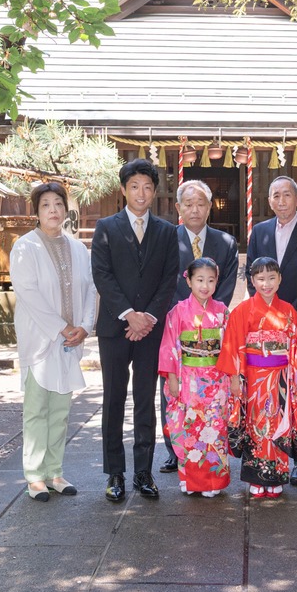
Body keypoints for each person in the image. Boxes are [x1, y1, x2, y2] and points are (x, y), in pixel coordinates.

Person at [91, 159, 179, 502]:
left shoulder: (167, 231)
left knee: (145, 400)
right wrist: (130, 315)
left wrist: (148, 319)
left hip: (150, 330)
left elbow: (168, 279)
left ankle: (144, 471)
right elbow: (103, 275)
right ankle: (115, 472)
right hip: (115, 328)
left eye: (147, 187)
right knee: (113, 399)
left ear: (154, 192)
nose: (141, 193)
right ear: (124, 189)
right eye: (134, 186)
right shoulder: (106, 227)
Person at [9, 182, 95, 502]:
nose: (53, 210)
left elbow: (88, 289)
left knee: (60, 409)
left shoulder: (77, 247)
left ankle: (54, 471)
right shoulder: (25, 247)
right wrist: (62, 327)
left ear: (65, 208)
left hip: (70, 341)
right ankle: (34, 476)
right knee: (36, 409)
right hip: (41, 339)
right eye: (46, 205)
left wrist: (84, 327)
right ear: (37, 211)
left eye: (58, 204)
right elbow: (28, 293)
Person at [159, 180, 239, 474]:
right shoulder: (166, 238)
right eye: (188, 204)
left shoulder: (226, 243)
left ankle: (210, 448)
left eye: (201, 203)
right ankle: (174, 449)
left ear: (210, 207)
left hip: (211, 329)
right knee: (172, 387)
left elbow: (226, 285)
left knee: (211, 395)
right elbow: (163, 282)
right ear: (178, 208)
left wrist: (205, 315)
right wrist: (180, 316)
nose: (195, 210)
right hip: (175, 324)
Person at [218, 257, 297, 499]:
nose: (266, 283)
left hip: (280, 378)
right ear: (252, 281)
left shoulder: (289, 311)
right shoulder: (242, 311)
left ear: (280, 279)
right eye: (260, 278)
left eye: (272, 278)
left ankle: (277, 475)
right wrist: (235, 379)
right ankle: (256, 477)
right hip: (253, 378)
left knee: (278, 425)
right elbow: (233, 345)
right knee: (255, 424)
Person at [245, 175, 297, 486]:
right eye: (275, 195)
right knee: (266, 397)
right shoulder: (260, 231)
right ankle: (266, 455)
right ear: (269, 200)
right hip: (265, 328)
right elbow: (252, 274)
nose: (281, 200)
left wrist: (295, 316)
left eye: (287, 195)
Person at [158, 257, 231, 497]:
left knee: (214, 427)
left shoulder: (221, 311)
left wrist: (232, 376)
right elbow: (169, 346)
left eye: (210, 280)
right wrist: (172, 378)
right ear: (188, 280)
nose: (205, 285)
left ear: (217, 282)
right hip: (188, 377)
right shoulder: (178, 311)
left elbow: (229, 347)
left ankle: (213, 481)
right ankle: (191, 479)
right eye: (199, 279)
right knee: (189, 429)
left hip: (215, 379)